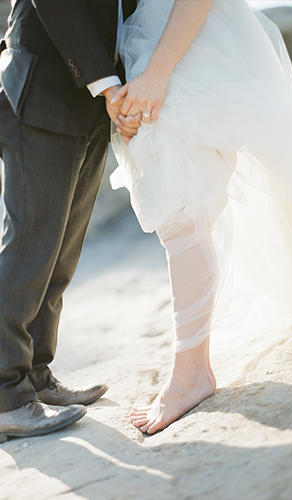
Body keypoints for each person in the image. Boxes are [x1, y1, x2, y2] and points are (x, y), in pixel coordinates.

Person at [110, 0, 292, 434]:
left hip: (189, 42)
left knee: (184, 209)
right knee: (182, 205)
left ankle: (190, 374)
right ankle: (191, 369)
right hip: (153, 44)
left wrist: (159, 72)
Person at [0, 0, 140, 442]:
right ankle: (6, 396)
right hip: (46, 82)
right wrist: (106, 83)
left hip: (95, 95)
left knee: (59, 253)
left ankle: (35, 375)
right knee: (29, 248)